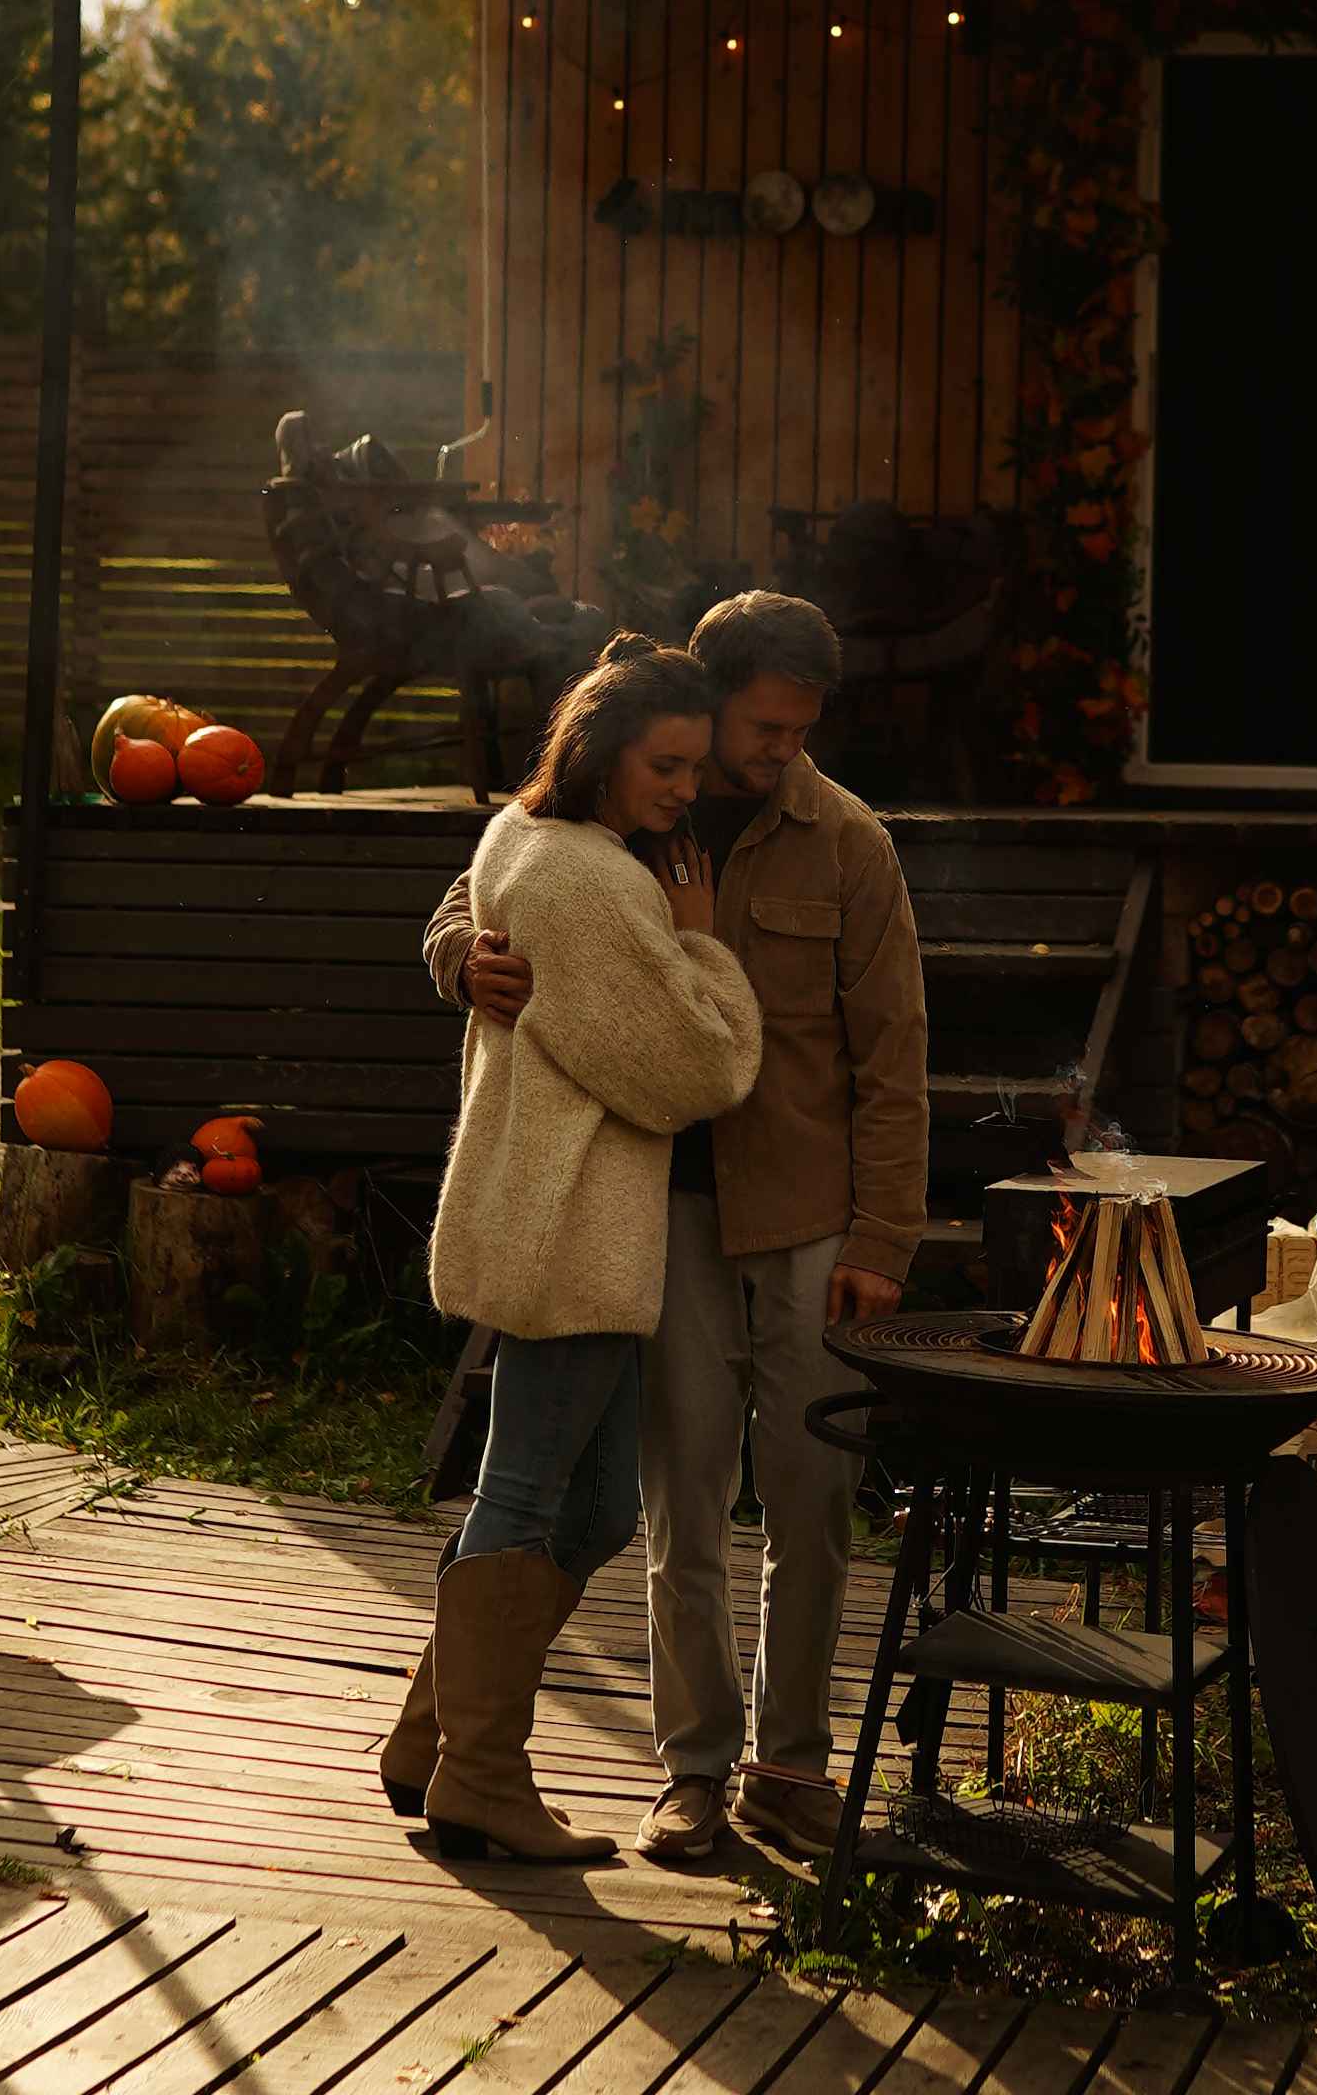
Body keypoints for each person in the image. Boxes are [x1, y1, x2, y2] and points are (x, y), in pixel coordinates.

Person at [425, 590, 928, 1863]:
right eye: (761, 724)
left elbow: (894, 1058)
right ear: (707, 704)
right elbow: (484, 885)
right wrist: (452, 958)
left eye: (798, 729)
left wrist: (881, 1239)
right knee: (678, 1504)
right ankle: (691, 1769)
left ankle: (792, 1764)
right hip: (664, 1219)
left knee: (810, 1506)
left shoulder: (850, 843)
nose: (776, 751)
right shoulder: (645, 792)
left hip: (811, 1220)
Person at [382, 634, 762, 1865]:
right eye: (666, 764)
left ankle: (430, 1734)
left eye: (694, 766)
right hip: (565, 1225)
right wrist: (703, 943)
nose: (685, 789)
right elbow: (697, 1067)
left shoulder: (520, 834)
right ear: (600, 752)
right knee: (526, 1489)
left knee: (594, 1503)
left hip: (575, 1223)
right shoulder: (588, 882)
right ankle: (481, 1775)